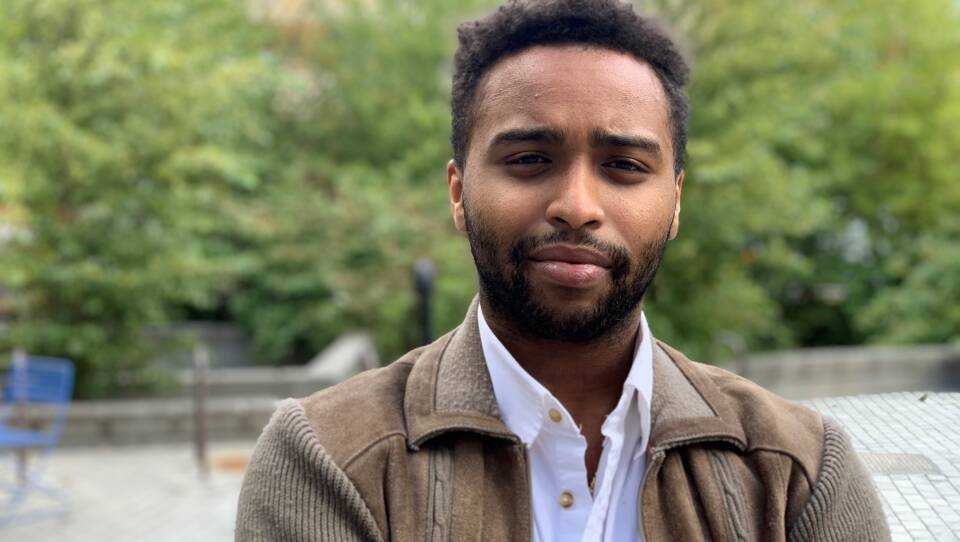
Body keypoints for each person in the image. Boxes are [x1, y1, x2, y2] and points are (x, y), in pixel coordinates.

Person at [236, 1, 889, 540]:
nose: (576, 207)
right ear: (459, 193)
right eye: (529, 159)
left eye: (624, 167)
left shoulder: (797, 469)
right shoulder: (327, 458)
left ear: (676, 202)